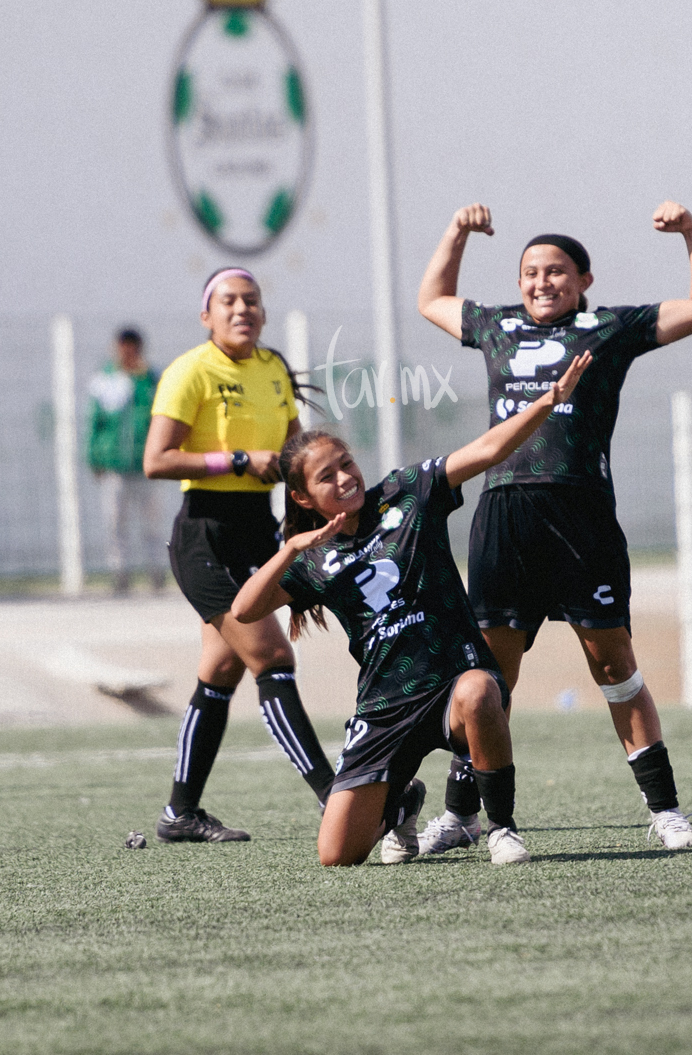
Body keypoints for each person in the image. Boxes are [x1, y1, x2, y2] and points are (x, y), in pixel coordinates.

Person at [413, 200, 692, 854]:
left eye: (555, 271)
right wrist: (456, 231)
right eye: (530, 272)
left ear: (584, 280)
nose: (540, 283)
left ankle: (665, 810)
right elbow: (432, 297)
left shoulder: (608, 327)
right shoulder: (496, 326)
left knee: (614, 665)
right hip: (504, 514)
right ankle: (463, 814)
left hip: (581, 515)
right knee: (491, 681)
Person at [232, 350, 594, 866]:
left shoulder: (408, 492)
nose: (344, 479)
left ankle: (500, 828)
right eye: (327, 478)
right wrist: (290, 549)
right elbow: (244, 610)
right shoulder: (312, 558)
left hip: (450, 684)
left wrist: (549, 400)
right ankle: (402, 801)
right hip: (385, 708)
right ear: (304, 498)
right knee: (336, 856)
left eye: (347, 464)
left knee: (481, 689)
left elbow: (488, 449)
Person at [142, 268, 337, 843]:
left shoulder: (273, 368)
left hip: (259, 531)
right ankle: (336, 797)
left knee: (221, 667)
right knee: (272, 657)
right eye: (227, 301)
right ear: (206, 315)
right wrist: (232, 462)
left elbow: (294, 450)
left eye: (251, 300)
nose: (241, 309)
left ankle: (180, 813)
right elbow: (156, 460)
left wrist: (326, 494)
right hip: (205, 534)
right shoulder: (190, 371)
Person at [86, 327, 163, 592]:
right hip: (114, 465)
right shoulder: (105, 380)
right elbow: (96, 421)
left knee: (151, 523)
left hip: (145, 465)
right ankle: (120, 572)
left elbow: (159, 414)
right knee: (115, 522)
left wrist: (141, 380)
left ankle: (155, 571)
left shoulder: (151, 379)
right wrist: (94, 457)